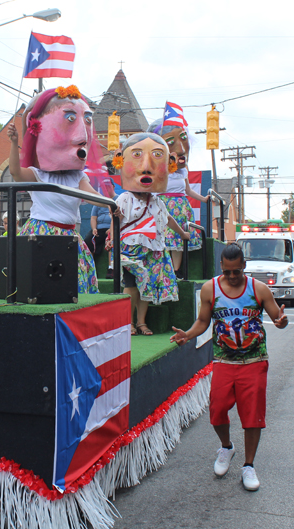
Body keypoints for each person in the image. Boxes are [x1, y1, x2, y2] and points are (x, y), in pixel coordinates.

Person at [170, 243, 288, 491]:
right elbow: (203, 321)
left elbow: (278, 318)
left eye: (237, 271)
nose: (233, 277)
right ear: (221, 267)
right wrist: (188, 335)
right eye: (228, 272)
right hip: (224, 360)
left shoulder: (259, 289)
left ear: (244, 266)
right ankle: (226, 447)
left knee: (252, 416)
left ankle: (249, 466)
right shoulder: (209, 289)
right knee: (217, 410)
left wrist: (281, 322)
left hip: (254, 361)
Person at [7, 85, 110, 294]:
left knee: (74, 282)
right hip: (41, 232)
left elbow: (93, 197)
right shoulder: (39, 174)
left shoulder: (77, 177)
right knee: (39, 282)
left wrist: (111, 204)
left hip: (68, 234)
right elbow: (16, 173)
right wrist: (14, 143)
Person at [106, 133, 190, 336]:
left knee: (147, 288)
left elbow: (168, 218)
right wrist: (111, 237)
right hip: (130, 248)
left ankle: (141, 322)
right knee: (132, 285)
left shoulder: (156, 201)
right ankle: (129, 322)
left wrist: (182, 234)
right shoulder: (124, 198)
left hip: (153, 249)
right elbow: (115, 219)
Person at [147, 117, 209, 278]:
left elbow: (188, 190)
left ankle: (176, 270)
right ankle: (163, 268)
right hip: (163, 205)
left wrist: (203, 199)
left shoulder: (183, 171)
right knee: (163, 237)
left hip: (181, 206)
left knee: (178, 241)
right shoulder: (158, 170)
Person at [84, 177, 117, 279]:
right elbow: (93, 218)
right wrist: (94, 228)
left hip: (113, 228)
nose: (106, 189)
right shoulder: (99, 200)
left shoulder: (119, 199)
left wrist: (111, 229)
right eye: (104, 187)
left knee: (112, 241)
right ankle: (89, 268)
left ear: (113, 187)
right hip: (99, 229)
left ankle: (111, 268)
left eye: (108, 187)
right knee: (88, 240)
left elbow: (118, 217)